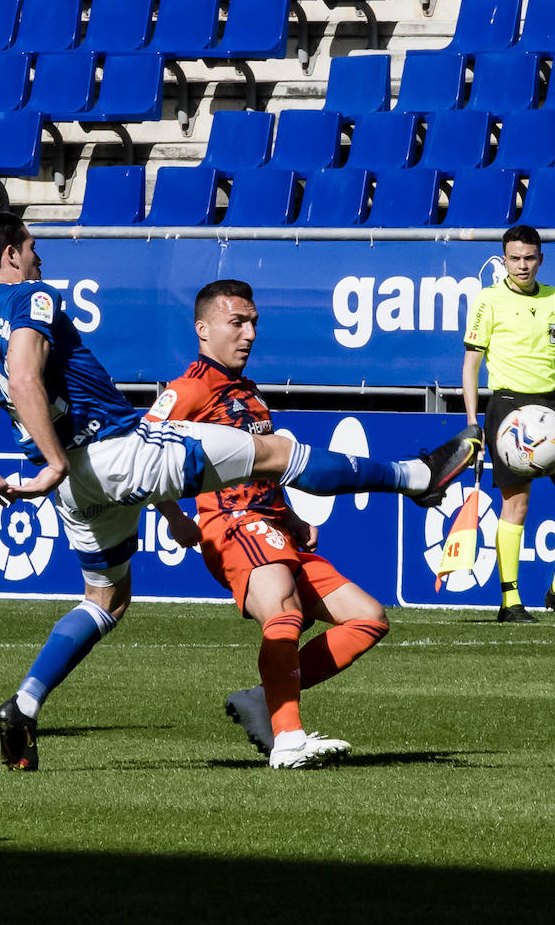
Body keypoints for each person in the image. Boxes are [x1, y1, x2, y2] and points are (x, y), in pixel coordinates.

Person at [0, 211, 479, 771]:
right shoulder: (31, 296)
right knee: (275, 451)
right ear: (11, 255)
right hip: (109, 451)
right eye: (31, 248)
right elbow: (25, 374)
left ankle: (24, 703)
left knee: (106, 601)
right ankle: (418, 477)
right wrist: (52, 459)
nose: (38, 257)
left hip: (78, 490)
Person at [149, 280, 389, 769]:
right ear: (203, 328)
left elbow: (265, 463)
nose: (250, 333)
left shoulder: (249, 392)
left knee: (368, 618)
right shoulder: (188, 388)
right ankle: (288, 738)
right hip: (233, 524)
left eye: (253, 322)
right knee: (285, 613)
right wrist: (174, 516)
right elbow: (141, 455)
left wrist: (294, 516)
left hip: (273, 523)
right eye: (237, 322)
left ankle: (265, 698)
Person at [462, 224, 555, 624]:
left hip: (553, 409)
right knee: (516, 505)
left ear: (540, 258)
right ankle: (510, 601)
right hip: (508, 408)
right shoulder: (488, 301)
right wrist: (474, 424)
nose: (522, 265)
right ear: (503, 260)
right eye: (514, 258)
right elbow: (471, 365)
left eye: (529, 258)